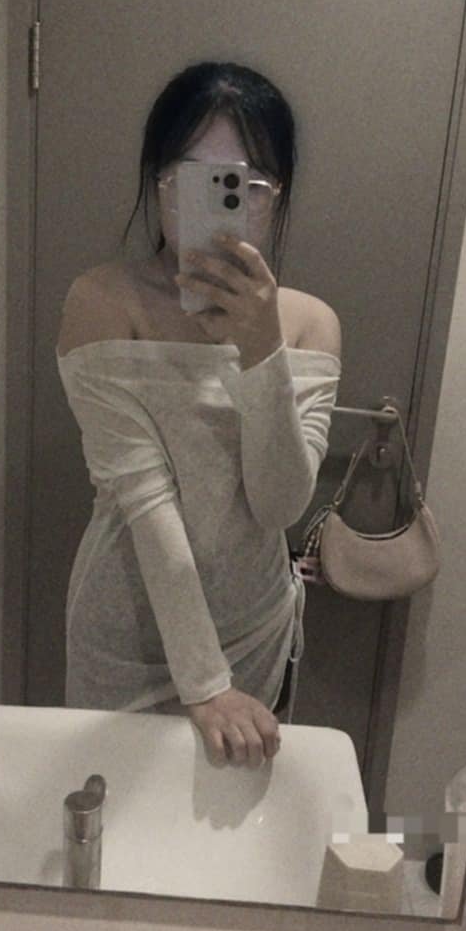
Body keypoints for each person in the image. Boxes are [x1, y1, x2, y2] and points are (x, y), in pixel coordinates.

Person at [56, 61, 341, 768]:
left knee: (232, 823)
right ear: (158, 183)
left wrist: (261, 350)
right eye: (194, 178)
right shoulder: (101, 302)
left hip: (256, 630)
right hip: (127, 634)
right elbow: (145, 498)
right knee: (111, 814)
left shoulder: (310, 325)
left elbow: (279, 504)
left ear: (275, 196)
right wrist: (206, 685)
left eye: (244, 183)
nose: (219, 200)